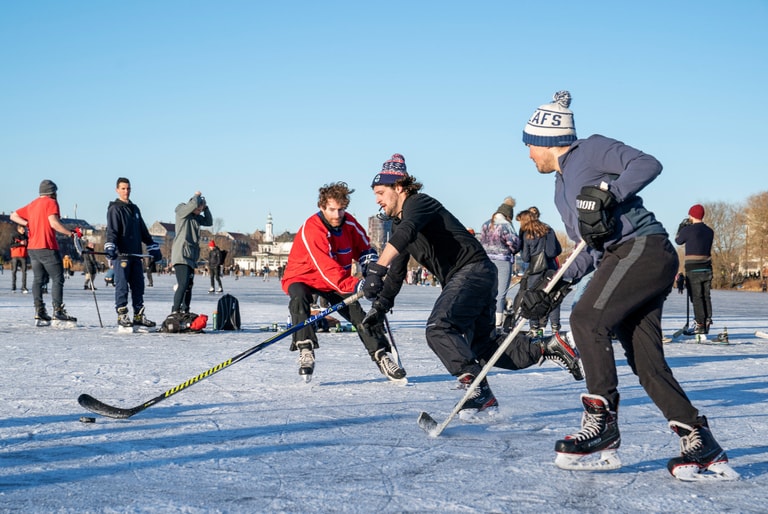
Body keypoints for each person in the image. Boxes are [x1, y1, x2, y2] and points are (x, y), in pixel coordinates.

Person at [520, 91, 735, 479]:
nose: (529, 154)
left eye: (529, 145)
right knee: (646, 362)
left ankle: (601, 422)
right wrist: (553, 286)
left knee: (586, 319)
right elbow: (588, 248)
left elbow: (648, 163)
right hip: (621, 259)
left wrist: (609, 194)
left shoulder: (592, 149)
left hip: (644, 248)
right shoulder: (559, 188)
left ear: (546, 140)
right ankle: (699, 440)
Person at [362, 154, 582, 419]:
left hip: (471, 271)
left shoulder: (419, 203)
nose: (377, 200)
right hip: (475, 276)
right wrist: (380, 306)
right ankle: (549, 346)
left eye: (380, 193)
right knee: (485, 346)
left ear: (399, 188)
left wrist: (377, 268)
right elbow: (397, 272)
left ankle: (477, 390)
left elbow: (406, 232)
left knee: (439, 328)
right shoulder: (400, 225)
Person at [281, 181, 405, 383]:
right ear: (322, 207)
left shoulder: (349, 223)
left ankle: (381, 355)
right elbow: (326, 269)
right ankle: (305, 348)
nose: (337, 215)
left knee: (358, 314)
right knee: (299, 297)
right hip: (303, 276)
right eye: (332, 210)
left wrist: (370, 268)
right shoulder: (312, 229)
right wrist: (358, 285)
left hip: (335, 281)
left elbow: (364, 248)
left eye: (341, 210)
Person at [10, 180, 78, 324]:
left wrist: (28, 223)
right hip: (46, 246)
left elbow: (13, 216)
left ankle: (39, 311)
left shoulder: (32, 204)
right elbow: (53, 222)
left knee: (38, 279)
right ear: (52, 192)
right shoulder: (51, 202)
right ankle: (58, 311)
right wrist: (70, 233)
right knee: (58, 277)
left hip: (32, 248)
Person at [106, 177, 162, 328]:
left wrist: (151, 245)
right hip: (122, 255)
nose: (126, 191)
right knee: (122, 285)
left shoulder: (135, 209)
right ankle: (122, 315)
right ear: (117, 190)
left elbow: (143, 231)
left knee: (138, 285)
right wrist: (110, 245)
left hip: (136, 255)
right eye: (123, 188)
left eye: (128, 188)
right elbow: (112, 231)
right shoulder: (115, 209)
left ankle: (138, 315)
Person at [516, 208, 563, 336]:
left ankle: (534, 327)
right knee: (553, 297)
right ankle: (555, 326)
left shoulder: (527, 234)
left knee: (533, 299)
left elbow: (525, 257)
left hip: (535, 270)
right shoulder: (549, 230)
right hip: (551, 267)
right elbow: (557, 250)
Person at [479, 197, 521, 329]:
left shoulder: (486, 224)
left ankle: (485, 318)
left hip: (487, 260)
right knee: (501, 293)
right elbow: (513, 243)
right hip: (502, 260)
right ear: (509, 215)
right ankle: (497, 321)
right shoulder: (506, 225)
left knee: (488, 291)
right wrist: (515, 250)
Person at [675, 204, 714, 334]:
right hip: (707, 268)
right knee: (706, 296)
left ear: (692, 215)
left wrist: (681, 228)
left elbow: (678, 241)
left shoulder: (688, 230)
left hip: (693, 269)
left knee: (696, 297)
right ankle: (707, 320)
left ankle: (700, 324)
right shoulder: (710, 231)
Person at [170, 192, 212, 314]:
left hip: (191, 257)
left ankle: (185, 310)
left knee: (188, 285)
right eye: (199, 208)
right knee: (183, 284)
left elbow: (209, 222)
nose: (200, 211)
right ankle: (175, 310)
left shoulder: (196, 218)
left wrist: (206, 208)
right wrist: (197, 196)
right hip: (181, 255)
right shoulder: (182, 212)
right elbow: (189, 206)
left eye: (201, 209)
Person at [10, 224, 29, 293]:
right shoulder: (14, 236)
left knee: (24, 272)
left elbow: (28, 245)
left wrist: (27, 244)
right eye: (22, 229)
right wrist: (20, 243)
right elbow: (11, 245)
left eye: (24, 229)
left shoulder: (26, 237)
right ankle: (13, 287)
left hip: (23, 255)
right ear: (18, 229)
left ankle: (24, 287)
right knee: (14, 271)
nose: (24, 231)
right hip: (15, 255)